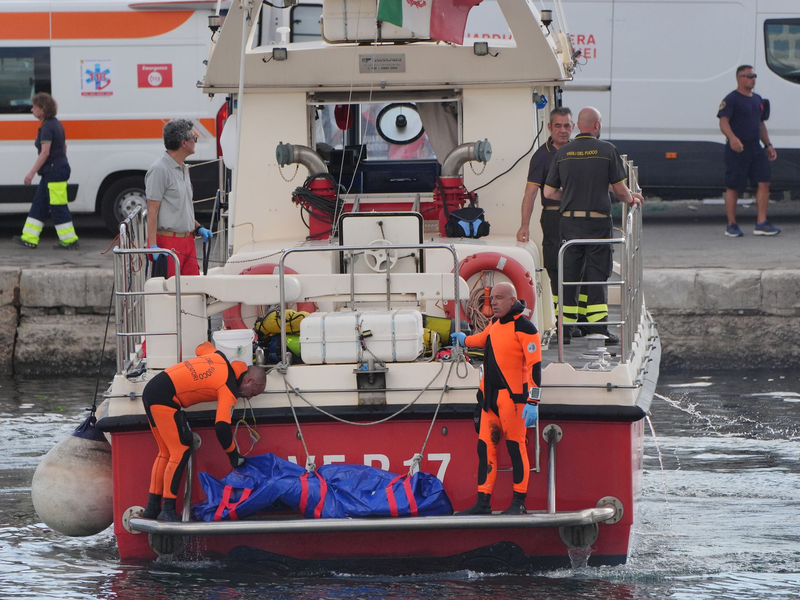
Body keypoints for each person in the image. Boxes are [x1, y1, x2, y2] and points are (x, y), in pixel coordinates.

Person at [544, 107, 643, 345]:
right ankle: (598, 328)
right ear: (597, 125)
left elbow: (548, 192)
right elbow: (620, 190)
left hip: (569, 222)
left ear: (577, 126)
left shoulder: (563, 152)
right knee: (597, 273)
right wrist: (632, 199)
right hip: (598, 222)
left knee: (569, 274)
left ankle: (565, 331)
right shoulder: (607, 150)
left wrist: (570, 199)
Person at [141, 341, 266, 521]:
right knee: (179, 452)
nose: (248, 397)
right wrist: (233, 455)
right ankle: (167, 510)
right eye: (253, 393)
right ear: (248, 380)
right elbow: (221, 426)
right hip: (165, 398)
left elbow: (201, 347)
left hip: (153, 389)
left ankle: (152, 508)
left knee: (165, 452)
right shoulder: (228, 389)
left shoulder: (218, 357)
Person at [450, 282, 542, 515]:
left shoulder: (525, 328)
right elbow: (480, 340)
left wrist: (533, 402)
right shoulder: (494, 324)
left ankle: (518, 503)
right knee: (485, 449)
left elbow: (535, 368)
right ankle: (483, 503)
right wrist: (463, 339)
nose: (494, 303)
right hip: (489, 401)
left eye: (499, 298)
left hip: (514, 402)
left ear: (513, 300)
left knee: (515, 449)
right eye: (493, 299)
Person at [516, 107, 588, 338]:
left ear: (574, 127)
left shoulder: (582, 151)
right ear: (549, 128)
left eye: (567, 125)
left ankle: (580, 321)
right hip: (554, 217)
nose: (563, 130)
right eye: (558, 126)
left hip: (580, 217)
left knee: (582, 267)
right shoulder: (541, 156)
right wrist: (524, 225)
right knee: (556, 268)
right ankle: (562, 323)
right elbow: (530, 193)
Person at [717, 65, 779, 237]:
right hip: (737, 149)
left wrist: (768, 145)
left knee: (764, 182)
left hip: (755, 148)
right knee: (734, 186)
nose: (753, 79)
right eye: (749, 76)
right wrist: (733, 138)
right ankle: (731, 225)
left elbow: (760, 124)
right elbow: (723, 122)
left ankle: (761, 223)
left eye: (754, 76)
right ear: (739, 78)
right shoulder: (731, 99)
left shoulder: (758, 99)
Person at [146, 119, 213, 278]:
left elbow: (182, 208)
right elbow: (152, 212)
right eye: (194, 138)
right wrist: (153, 246)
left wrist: (198, 227)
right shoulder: (159, 170)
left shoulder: (184, 169)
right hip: (169, 243)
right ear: (184, 143)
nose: (196, 142)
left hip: (188, 241)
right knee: (168, 294)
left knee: (193, 291)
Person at [13, 93, 80, 250]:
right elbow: (64, 147)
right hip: (54, 170)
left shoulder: (47, 127)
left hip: (53, 172)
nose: (32, 110)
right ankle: (29, 238)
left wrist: (31, 173)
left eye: (35, 107)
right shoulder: (55, 124)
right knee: (39, 204)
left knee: (58, 207)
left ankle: (69, 241)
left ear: (42, 109)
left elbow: (45, 153)